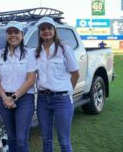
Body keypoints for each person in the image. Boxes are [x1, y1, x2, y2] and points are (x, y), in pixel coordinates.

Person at [35, 17, 80, 152]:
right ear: (39, 32)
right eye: (43, 29)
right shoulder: (36, 52)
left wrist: (66, 92)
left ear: (54, 30)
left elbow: (75, 74)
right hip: (43, 99)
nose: (46, 31)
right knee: (46, 139)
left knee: (64, 141)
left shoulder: (65, 50)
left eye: (49, 28)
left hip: (62, 100)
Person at [0, 21, 36, 152]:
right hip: (4, 99)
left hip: (24, 100)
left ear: (22, 35)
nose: (13, 35)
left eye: (16, 32)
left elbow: (31, 79)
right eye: (10, 32)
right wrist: (5, 97)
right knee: (10, 138)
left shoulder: (29, 53)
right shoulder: (0, 54)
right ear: (6, 36)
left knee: (21, 139)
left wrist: (14, 97)